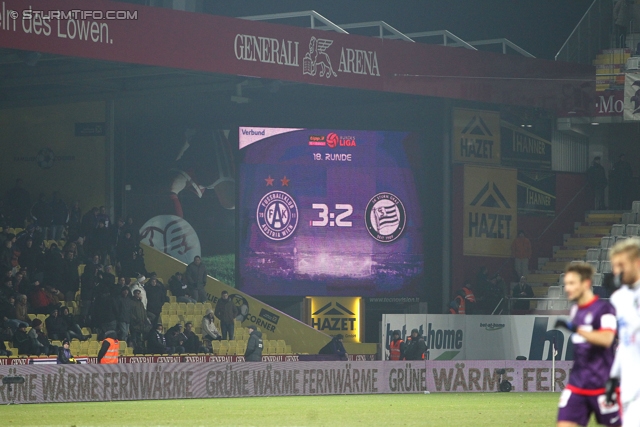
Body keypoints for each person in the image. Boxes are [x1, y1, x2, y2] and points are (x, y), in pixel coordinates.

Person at [553, 262, 619, 427]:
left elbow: (607, 339)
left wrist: (576, 329)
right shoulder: (576, 310)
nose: (567, 288)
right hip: (577, 385)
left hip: (602, 385)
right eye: (566, 284)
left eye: (572, 283)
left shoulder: (604, 310)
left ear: (586, 283)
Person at [607, 238, 640, 426]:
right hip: (628, 388)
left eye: (621, 265)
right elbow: (626, 342)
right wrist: (613, 376)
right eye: (614, 266)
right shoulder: (618, 298)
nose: (616, 271)